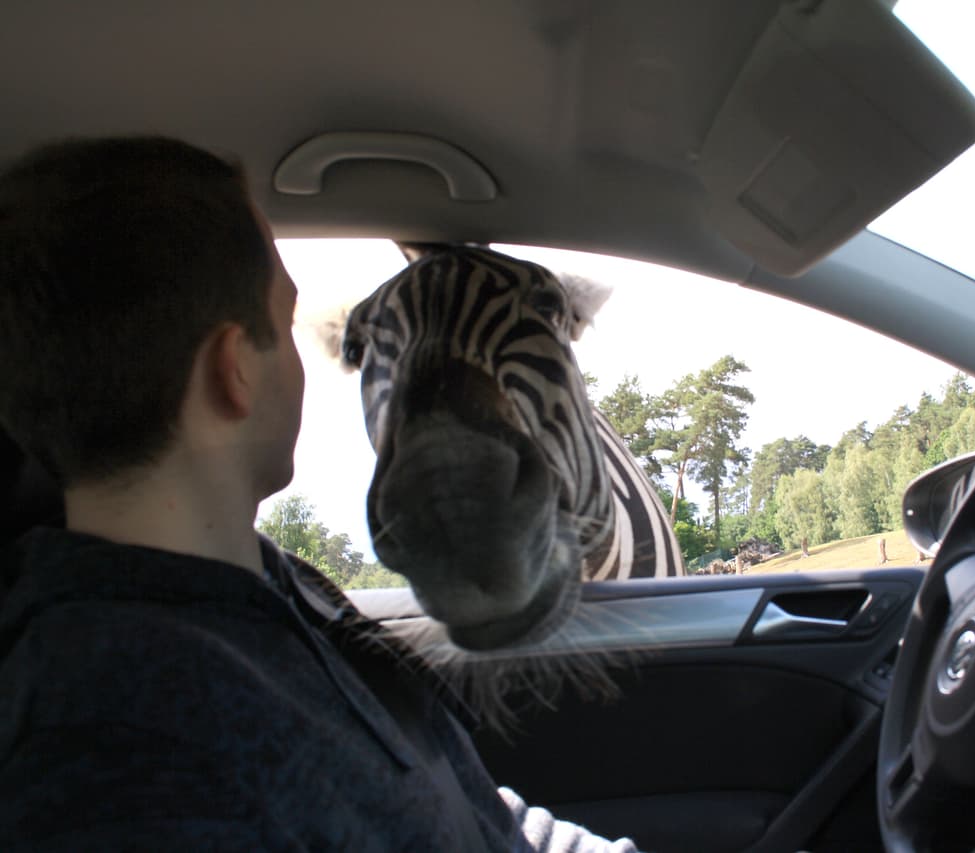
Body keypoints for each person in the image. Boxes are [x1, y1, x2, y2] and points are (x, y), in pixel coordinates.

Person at [0, 136, 636, 851]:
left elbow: (462, 811)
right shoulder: (117, 755)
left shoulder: (270, 592)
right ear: (234, 369)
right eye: (284, 316)